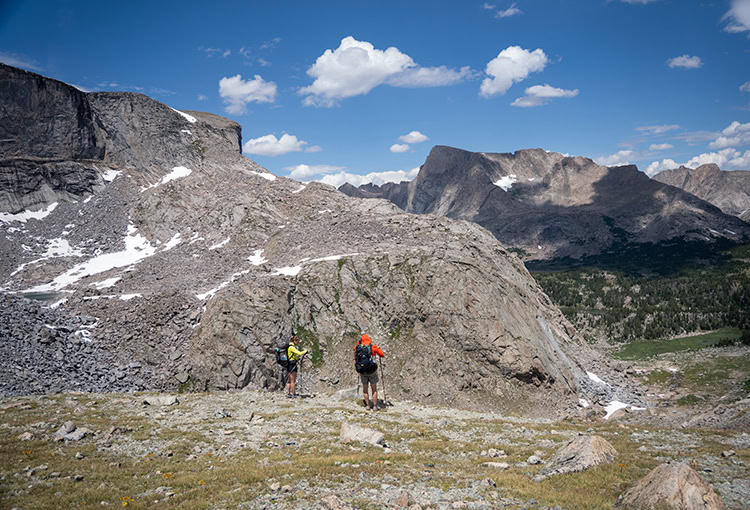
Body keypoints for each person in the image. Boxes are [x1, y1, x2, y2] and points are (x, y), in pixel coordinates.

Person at [354, 333, 385, 411]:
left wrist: (359, 342)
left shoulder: (358, 347)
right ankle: (375, 406)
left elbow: (355, 347)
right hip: (372, 371)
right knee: (374, 388)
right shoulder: (372, 348)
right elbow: (382, 354)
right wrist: (377, 347)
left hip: (362, 371)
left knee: (365, 389)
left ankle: (367, 406)